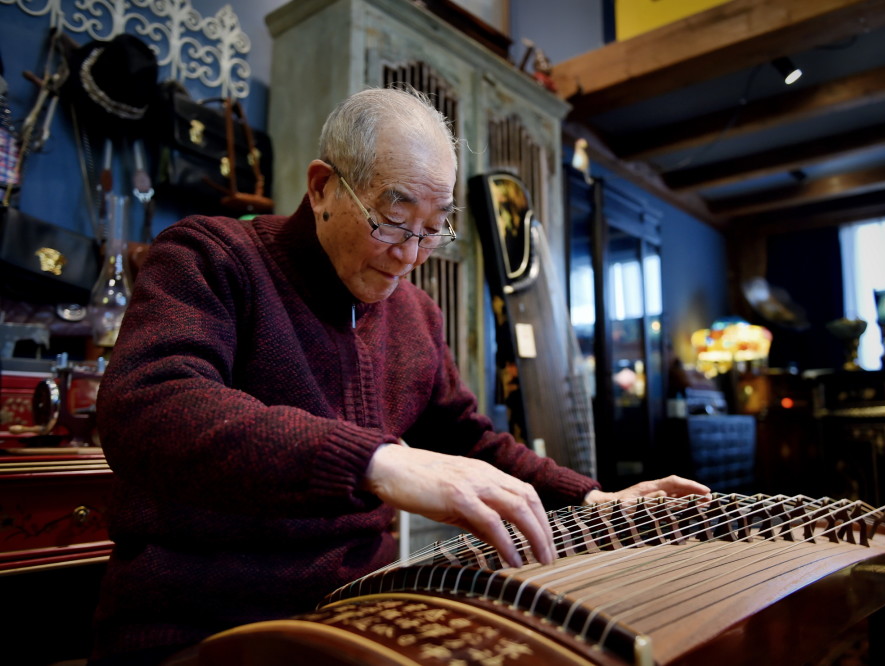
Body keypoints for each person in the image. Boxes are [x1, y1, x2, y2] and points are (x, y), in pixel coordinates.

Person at [90, 87, 709, 665]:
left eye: (433, 227)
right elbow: (149, 406)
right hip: (203, 625)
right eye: (392, 219)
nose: (411, 255)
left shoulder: (415, 314)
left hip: (357, 614)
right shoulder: (211, 257)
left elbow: (470, 440)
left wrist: (592, 499)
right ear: (323, 188)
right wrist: (376, 461)